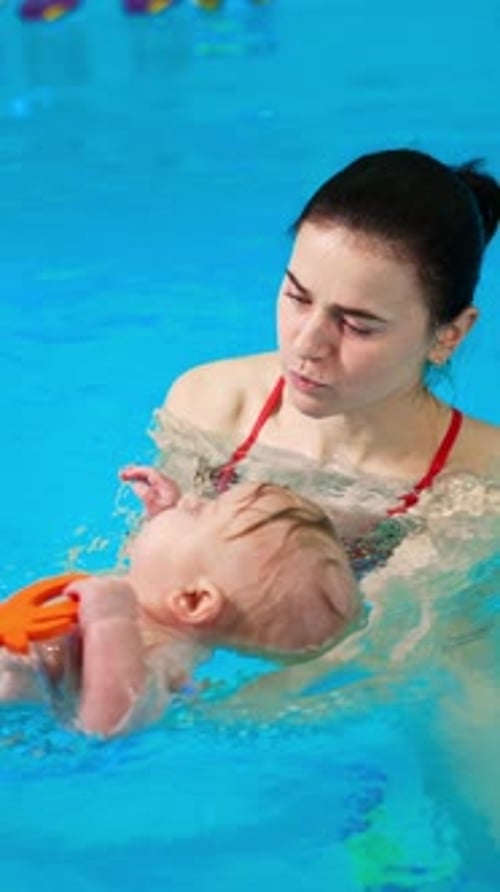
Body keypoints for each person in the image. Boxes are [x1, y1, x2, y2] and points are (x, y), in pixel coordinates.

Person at [157, 148, 500, 568]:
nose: (306, 344)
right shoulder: (211, 406)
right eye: (297, 297)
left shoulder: (479, 485)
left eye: (357, 326)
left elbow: (422, 634)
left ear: (450, 336)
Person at [0, 465, 358, 737]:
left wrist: (109, 622)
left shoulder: (164, 654)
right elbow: (159, 572)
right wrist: (163, 518)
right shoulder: (152, 599)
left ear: (193, 600)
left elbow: (110, 725)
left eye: (199, 513)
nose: (193, 498)